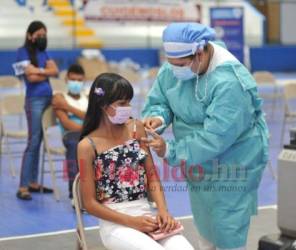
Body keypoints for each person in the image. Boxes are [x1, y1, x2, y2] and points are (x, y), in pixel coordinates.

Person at [141, 22, 269, 250]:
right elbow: (161, 99)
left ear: (200, 53)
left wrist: (170, 150)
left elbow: (215, 137)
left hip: (234, 158)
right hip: (196, 161)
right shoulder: (175, 65)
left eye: (180, 64)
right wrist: (158, 118)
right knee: (204, 217)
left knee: (227, 223)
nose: (175, 70)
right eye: (171, 64)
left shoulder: (229, 82)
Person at [77, 73, 194, 250]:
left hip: (147, 214)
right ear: (103, 105)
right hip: (115, 223)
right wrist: (132, 222)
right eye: (122, 104)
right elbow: (90, 204)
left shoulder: (136, 128)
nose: (128, 108)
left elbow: (152, 176)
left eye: (129, 102)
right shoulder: (87, 146)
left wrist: (163, 212)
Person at [16, 20, 59, 200]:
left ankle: (33, 182)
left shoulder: (43, 51)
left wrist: (38, 70)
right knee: (33, 142)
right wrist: (44, 71)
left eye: (44, 34)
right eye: (39, 35)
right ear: (30, 35)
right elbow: (31, 78)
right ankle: (23, 186)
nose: (42, 38)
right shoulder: (21, 52)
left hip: (48, 99)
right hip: (34, 100)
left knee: (40, 141)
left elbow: (55, 70)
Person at [52, 64, 88, 203]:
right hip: (70, 135)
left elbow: (94, 117)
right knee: (75, 144)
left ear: (84, 80)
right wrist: (87, 121)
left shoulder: (88, 97)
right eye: (73, 80)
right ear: (67, 79)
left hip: (88, 134)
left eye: (79, 80)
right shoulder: (59, 98)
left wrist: (68, 107)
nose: (76, 83)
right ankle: (75, 194)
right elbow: (66, 123)